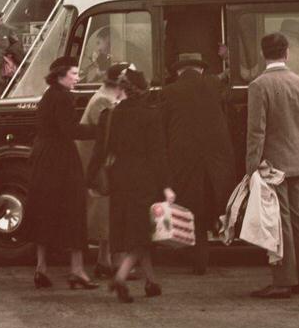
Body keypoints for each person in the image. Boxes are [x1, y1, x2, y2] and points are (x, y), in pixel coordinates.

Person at [245, 32, 299, 300]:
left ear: (264, 54)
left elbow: (256, 131)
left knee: (279, 221)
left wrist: (252, 167)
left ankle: (283, 281)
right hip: (298, 161)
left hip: (272, 166)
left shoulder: (259, 86)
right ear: (286, 53)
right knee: (298, 221)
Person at [18, 56, 99, 289]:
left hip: (43, 157)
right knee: (74, 212)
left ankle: (41, 268)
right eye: (74, 73)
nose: (77, 77)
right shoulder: (63, 97)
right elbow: (70, 130)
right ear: (61, 75)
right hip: (61, 160)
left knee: (45, 210)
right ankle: (77, 270)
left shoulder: (48, 95)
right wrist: (101, 129)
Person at [95, 67, 173, 303]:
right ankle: (120, 276)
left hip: (119, 178)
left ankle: (152, 282)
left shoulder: (112, 115)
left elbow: (104, 148)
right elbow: (158, 155)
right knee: (143, 233)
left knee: (133, 229)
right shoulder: (151, 115)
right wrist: (167, 185)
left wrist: (93, 179)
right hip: (144, 179)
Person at [160, 53, 235, 275]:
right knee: (210, 201)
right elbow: (230, 76)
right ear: (200, 70)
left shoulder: (169, 91)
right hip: (216, 159)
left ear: (179, 72)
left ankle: (192, 251)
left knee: (189, 205)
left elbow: (163, 128)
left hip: (183, 159)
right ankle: (208, 241)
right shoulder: (213, 84)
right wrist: (226, 56)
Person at [78, 63, 126, 279]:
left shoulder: (104, 97)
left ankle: (104, 261)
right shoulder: (102, 101)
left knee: (105, 212)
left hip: (100, 164)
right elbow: (108, 135)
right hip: (99, 166)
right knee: (105, 213)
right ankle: (112, 263)